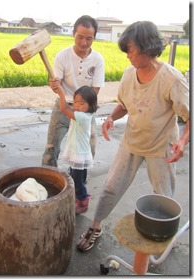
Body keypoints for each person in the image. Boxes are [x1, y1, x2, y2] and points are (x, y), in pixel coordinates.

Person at [77, 21, 189, 252]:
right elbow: (125, 105)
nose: (127, 56)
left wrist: (183, 140)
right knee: (111, 187)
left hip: (161, 147)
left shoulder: (172, 79)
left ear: (147, 47)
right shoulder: (129, 74)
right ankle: (95, 226)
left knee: (163, 197)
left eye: (130, 50)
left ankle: (164, 240)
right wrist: (111, 118)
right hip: (132, 142)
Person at [42, 15, 105, 167]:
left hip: (85, 109)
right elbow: (58, 85)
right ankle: (48, 181)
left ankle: (78, 180)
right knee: (52, 147)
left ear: (94, 37)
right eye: (80, 37)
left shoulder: (97, 59)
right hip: (63, 106)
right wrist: (55, 85)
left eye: (89, 38)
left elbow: (95, 89)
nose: (84, 42)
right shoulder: (63, 56)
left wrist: (81, 108)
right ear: (73, 34)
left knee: (89, 147)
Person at [50, 81, 98, 214]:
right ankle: (78, 198)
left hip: (79, 154)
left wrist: (61, 93)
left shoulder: (83, 117)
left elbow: (64, 110)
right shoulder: (82, 114)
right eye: (75, 102)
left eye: (81, 103)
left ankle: (83, 201)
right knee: (76, 178)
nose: (77, 105)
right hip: (78, 153)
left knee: (77, 181)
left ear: (91, 105)